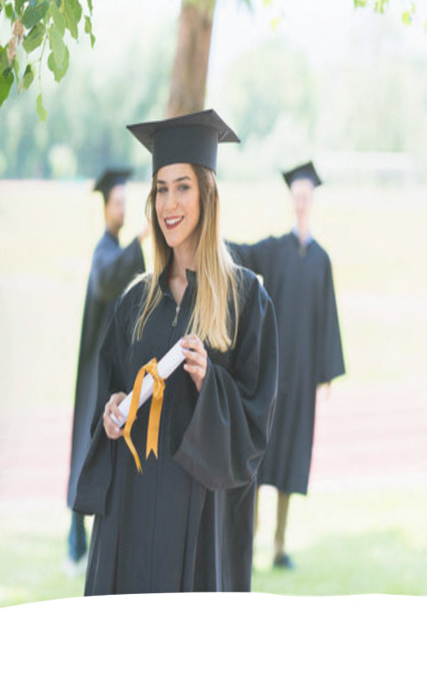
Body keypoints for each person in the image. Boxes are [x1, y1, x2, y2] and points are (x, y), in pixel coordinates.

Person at [73, 109, 279, 594]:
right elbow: (109, 395)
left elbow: (256, 426)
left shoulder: (245, 301)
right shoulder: (134, 304)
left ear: (207, 194)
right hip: (130, 515)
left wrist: (213, 383)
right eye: (161, 189)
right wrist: (110, 414)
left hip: (199, 528)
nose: (169, 202)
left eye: (182, 187)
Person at [229, 161, 345, 569]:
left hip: (302, 377)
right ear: (290, 199)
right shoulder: (276, 250)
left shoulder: (321, 260)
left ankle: (279, 546)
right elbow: (241, 253)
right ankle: (250, 538)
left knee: (291, 460)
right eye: (296, 195)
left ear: (311, 200)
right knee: (260, 456)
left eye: (306, 196)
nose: (300, 201)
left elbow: (327, 317)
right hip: (271, 375)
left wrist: (326, 372)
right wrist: (209, 239)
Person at [66, 169, 148, 572]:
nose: (123, 209)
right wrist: (140, 241)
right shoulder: (105, 250)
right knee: (88, 445)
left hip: (109, 368)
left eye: (125, 203)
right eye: (118, 203)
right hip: (95, 370)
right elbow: (106, 282)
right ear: (106, 208)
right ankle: (74, 541)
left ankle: (82, 540)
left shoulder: (113, 248)